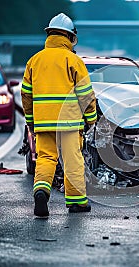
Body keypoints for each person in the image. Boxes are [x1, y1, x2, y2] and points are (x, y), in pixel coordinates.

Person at [21, 13, 97, 216]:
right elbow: (86, 95)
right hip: (69, 122)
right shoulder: (73, 60)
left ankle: (41, 192)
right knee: (72, 159)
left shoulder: (34, 61)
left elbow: (26, 95)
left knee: (46, 158)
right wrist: (91, 119)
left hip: (44, 122)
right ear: (70, 37)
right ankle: (77, 202)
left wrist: (31, 121)